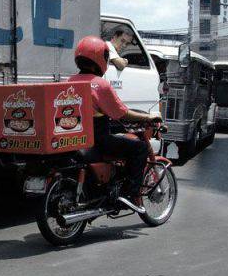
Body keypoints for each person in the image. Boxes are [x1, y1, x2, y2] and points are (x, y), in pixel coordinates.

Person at [69, 36, 162, 211]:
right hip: (98, 141)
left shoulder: (70, 81)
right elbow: (121, 113)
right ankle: (131, 194)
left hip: (76, 139)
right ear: (100, 58)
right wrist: (148, 118)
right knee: (139, 148)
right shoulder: (100, 85)